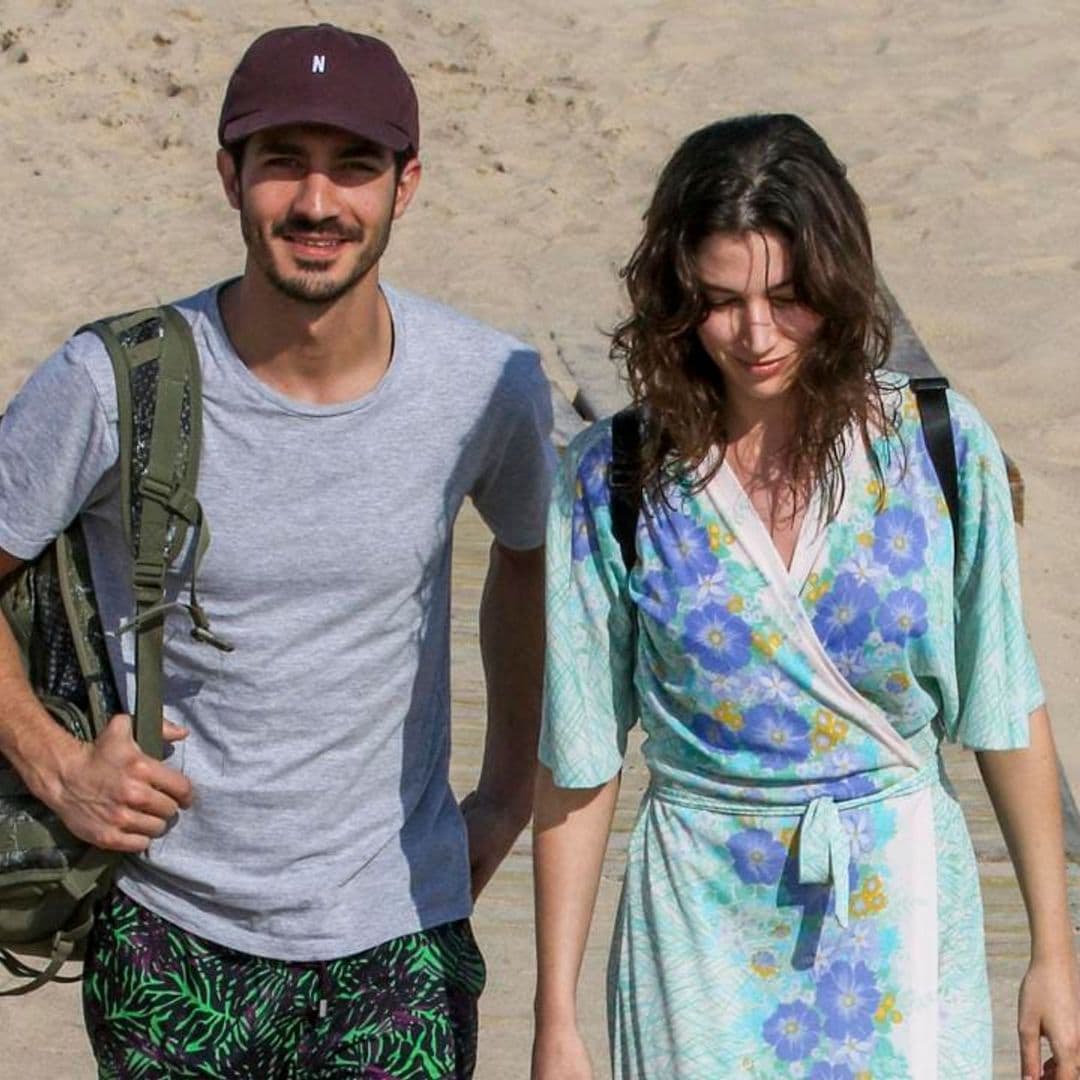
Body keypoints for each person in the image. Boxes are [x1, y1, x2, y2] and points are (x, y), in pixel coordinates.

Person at [0, 23, 554, 1079]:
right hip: (169, 928)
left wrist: (506, 794)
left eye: (354, 167)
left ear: (407, 184)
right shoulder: (111, 380)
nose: (316, 203)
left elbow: (528, 561)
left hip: (402, 933)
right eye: (281, 164)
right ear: (229, 175)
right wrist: (57, 764)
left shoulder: (492, 384)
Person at [531, 113, 1079, 1079]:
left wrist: (1053, 953)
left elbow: (1006, 705)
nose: (755, 334)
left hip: (900, 901)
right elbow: (578, 758)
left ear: (838, 282)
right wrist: (555, 1021)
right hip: (695, 924)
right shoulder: (613, 478)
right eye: (720, 299)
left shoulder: (940, 451)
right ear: (674, 294)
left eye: (789, 297)